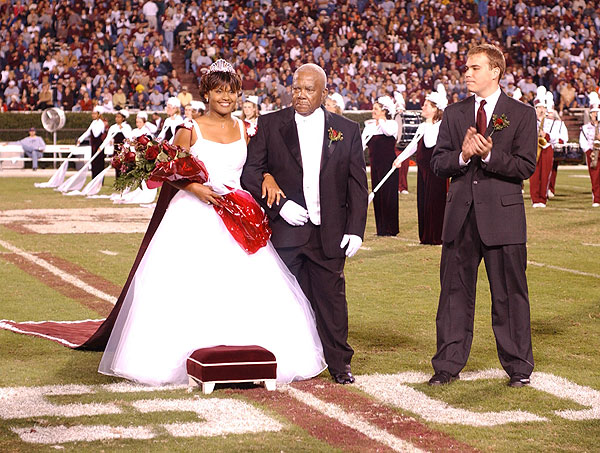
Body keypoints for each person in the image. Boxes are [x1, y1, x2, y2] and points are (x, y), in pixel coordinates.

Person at [96, 60, 326, 385]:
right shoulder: (190, 128)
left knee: (245, 285)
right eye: (219, 91)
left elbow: (258, 166)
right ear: (206, 92)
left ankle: (243, 354)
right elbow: (168, 169)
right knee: (190, 284)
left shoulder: (246, 129)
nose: (226, 97)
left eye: (231, 91)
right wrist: (194, 188)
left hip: (238, 213)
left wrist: (270, 178)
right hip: (194, 214)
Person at [242, 63, 368, 385]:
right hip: (286, 232)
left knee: (332, 301)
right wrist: (281, 206)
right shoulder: (270, 125)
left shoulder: (347, 130)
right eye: (296, 88)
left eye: (309, 89)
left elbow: (357, 185)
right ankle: (280, 362)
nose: (300, 94)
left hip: (329, 234)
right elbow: (251, 173)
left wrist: (355, 230)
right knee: (283, 300)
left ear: (324, 93)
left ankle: (340, 364)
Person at [429, 44, 537, 388]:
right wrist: (461, 155)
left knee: (509, 294)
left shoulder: (521, 113)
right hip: (460, 219)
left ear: (496, 72)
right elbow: (437, 163)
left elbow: (526, 166)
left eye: (475, 68)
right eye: (466, 68)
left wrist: (490, 157)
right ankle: (446, 365)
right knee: (453, 294)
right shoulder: (454, 112)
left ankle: (519, 367)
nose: (468, 73)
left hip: (503, 220)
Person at [394, 84, 448, 245]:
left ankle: (436, 236)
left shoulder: (440, 126)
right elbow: (413, 146)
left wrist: (429, 126)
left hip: (436, 171)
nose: (422, 107)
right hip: (423, 171)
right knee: (423, 201)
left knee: (436, 202)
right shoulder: (423, 126)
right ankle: (425, 236)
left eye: (426, 105)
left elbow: (432, 143)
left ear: (435, 109)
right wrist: (400, 159)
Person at [362, 95, 399, 236]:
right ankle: (381, 228)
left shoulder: (391, 124)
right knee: (378, 195)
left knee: (389, 194)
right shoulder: (370, 127)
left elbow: (388, 132)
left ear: (384, 111)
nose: (373, 111)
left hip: (388, 165)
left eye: (376, 109)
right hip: (375, 165)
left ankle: (391, 228)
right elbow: (361, 144)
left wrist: (381, 120)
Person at [529, 87, 557, 208]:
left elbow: (556, 137)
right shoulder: (529, 121)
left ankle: (542, 198)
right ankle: (535, 199)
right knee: (534, 174)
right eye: (538, 107)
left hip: (546, 148)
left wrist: (546, 135)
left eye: (543, 107)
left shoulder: (552, 122)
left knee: (545, 174)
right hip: (534, 148)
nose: (541, 110)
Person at [579, 95, 600, 208]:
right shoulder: (585, 128)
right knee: (595, 176)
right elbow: (583, 141)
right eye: (593, 113)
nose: (595, 115)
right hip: (592, 153)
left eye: (597, 113)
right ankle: (596, 198)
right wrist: (589, 151)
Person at [77, 106, 107, 179]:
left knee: (99, 163)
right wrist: (80, 139)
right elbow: (88, 132)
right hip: (93, 146)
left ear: (99, 114)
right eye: (92, 114)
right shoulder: (93, 122)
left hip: (99, 146)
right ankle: (94, 178)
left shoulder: (101, 123)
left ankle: (99, 180)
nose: (93, 115)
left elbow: (96, 134)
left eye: (94, 114)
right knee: (93, 163)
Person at [101, 110, 132, 179]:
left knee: (124, 167)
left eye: (119, 117)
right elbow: (108, 138)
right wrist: (101, 147)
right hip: (116, 150)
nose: (117, 118)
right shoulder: (113, 127)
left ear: (123, 118)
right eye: (116, 117)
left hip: (124, 150)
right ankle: (118, 182)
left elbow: (129, 139)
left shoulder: (127, 127)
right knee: (117, 167)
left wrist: (124, 150)